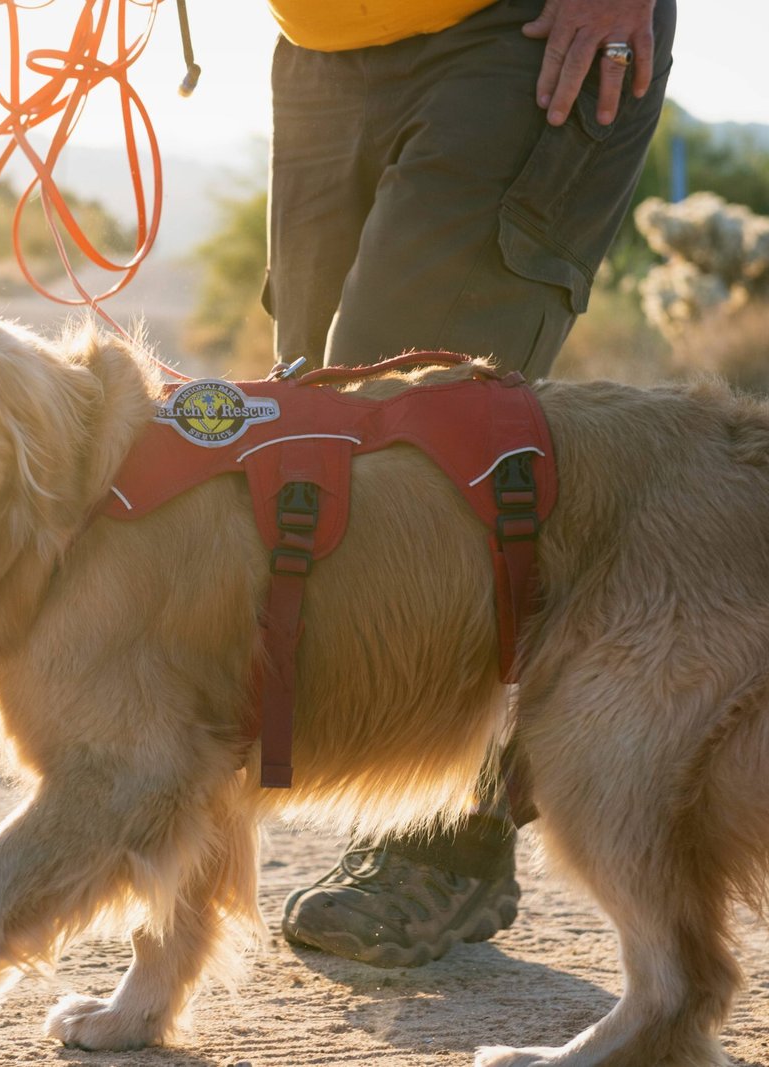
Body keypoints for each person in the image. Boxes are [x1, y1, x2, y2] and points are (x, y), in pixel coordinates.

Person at [263, 0, 678, 967]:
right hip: (322, 52)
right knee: (314, 425)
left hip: (522, 32)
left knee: (426, 444)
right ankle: (410, 796)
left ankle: (447, 845)